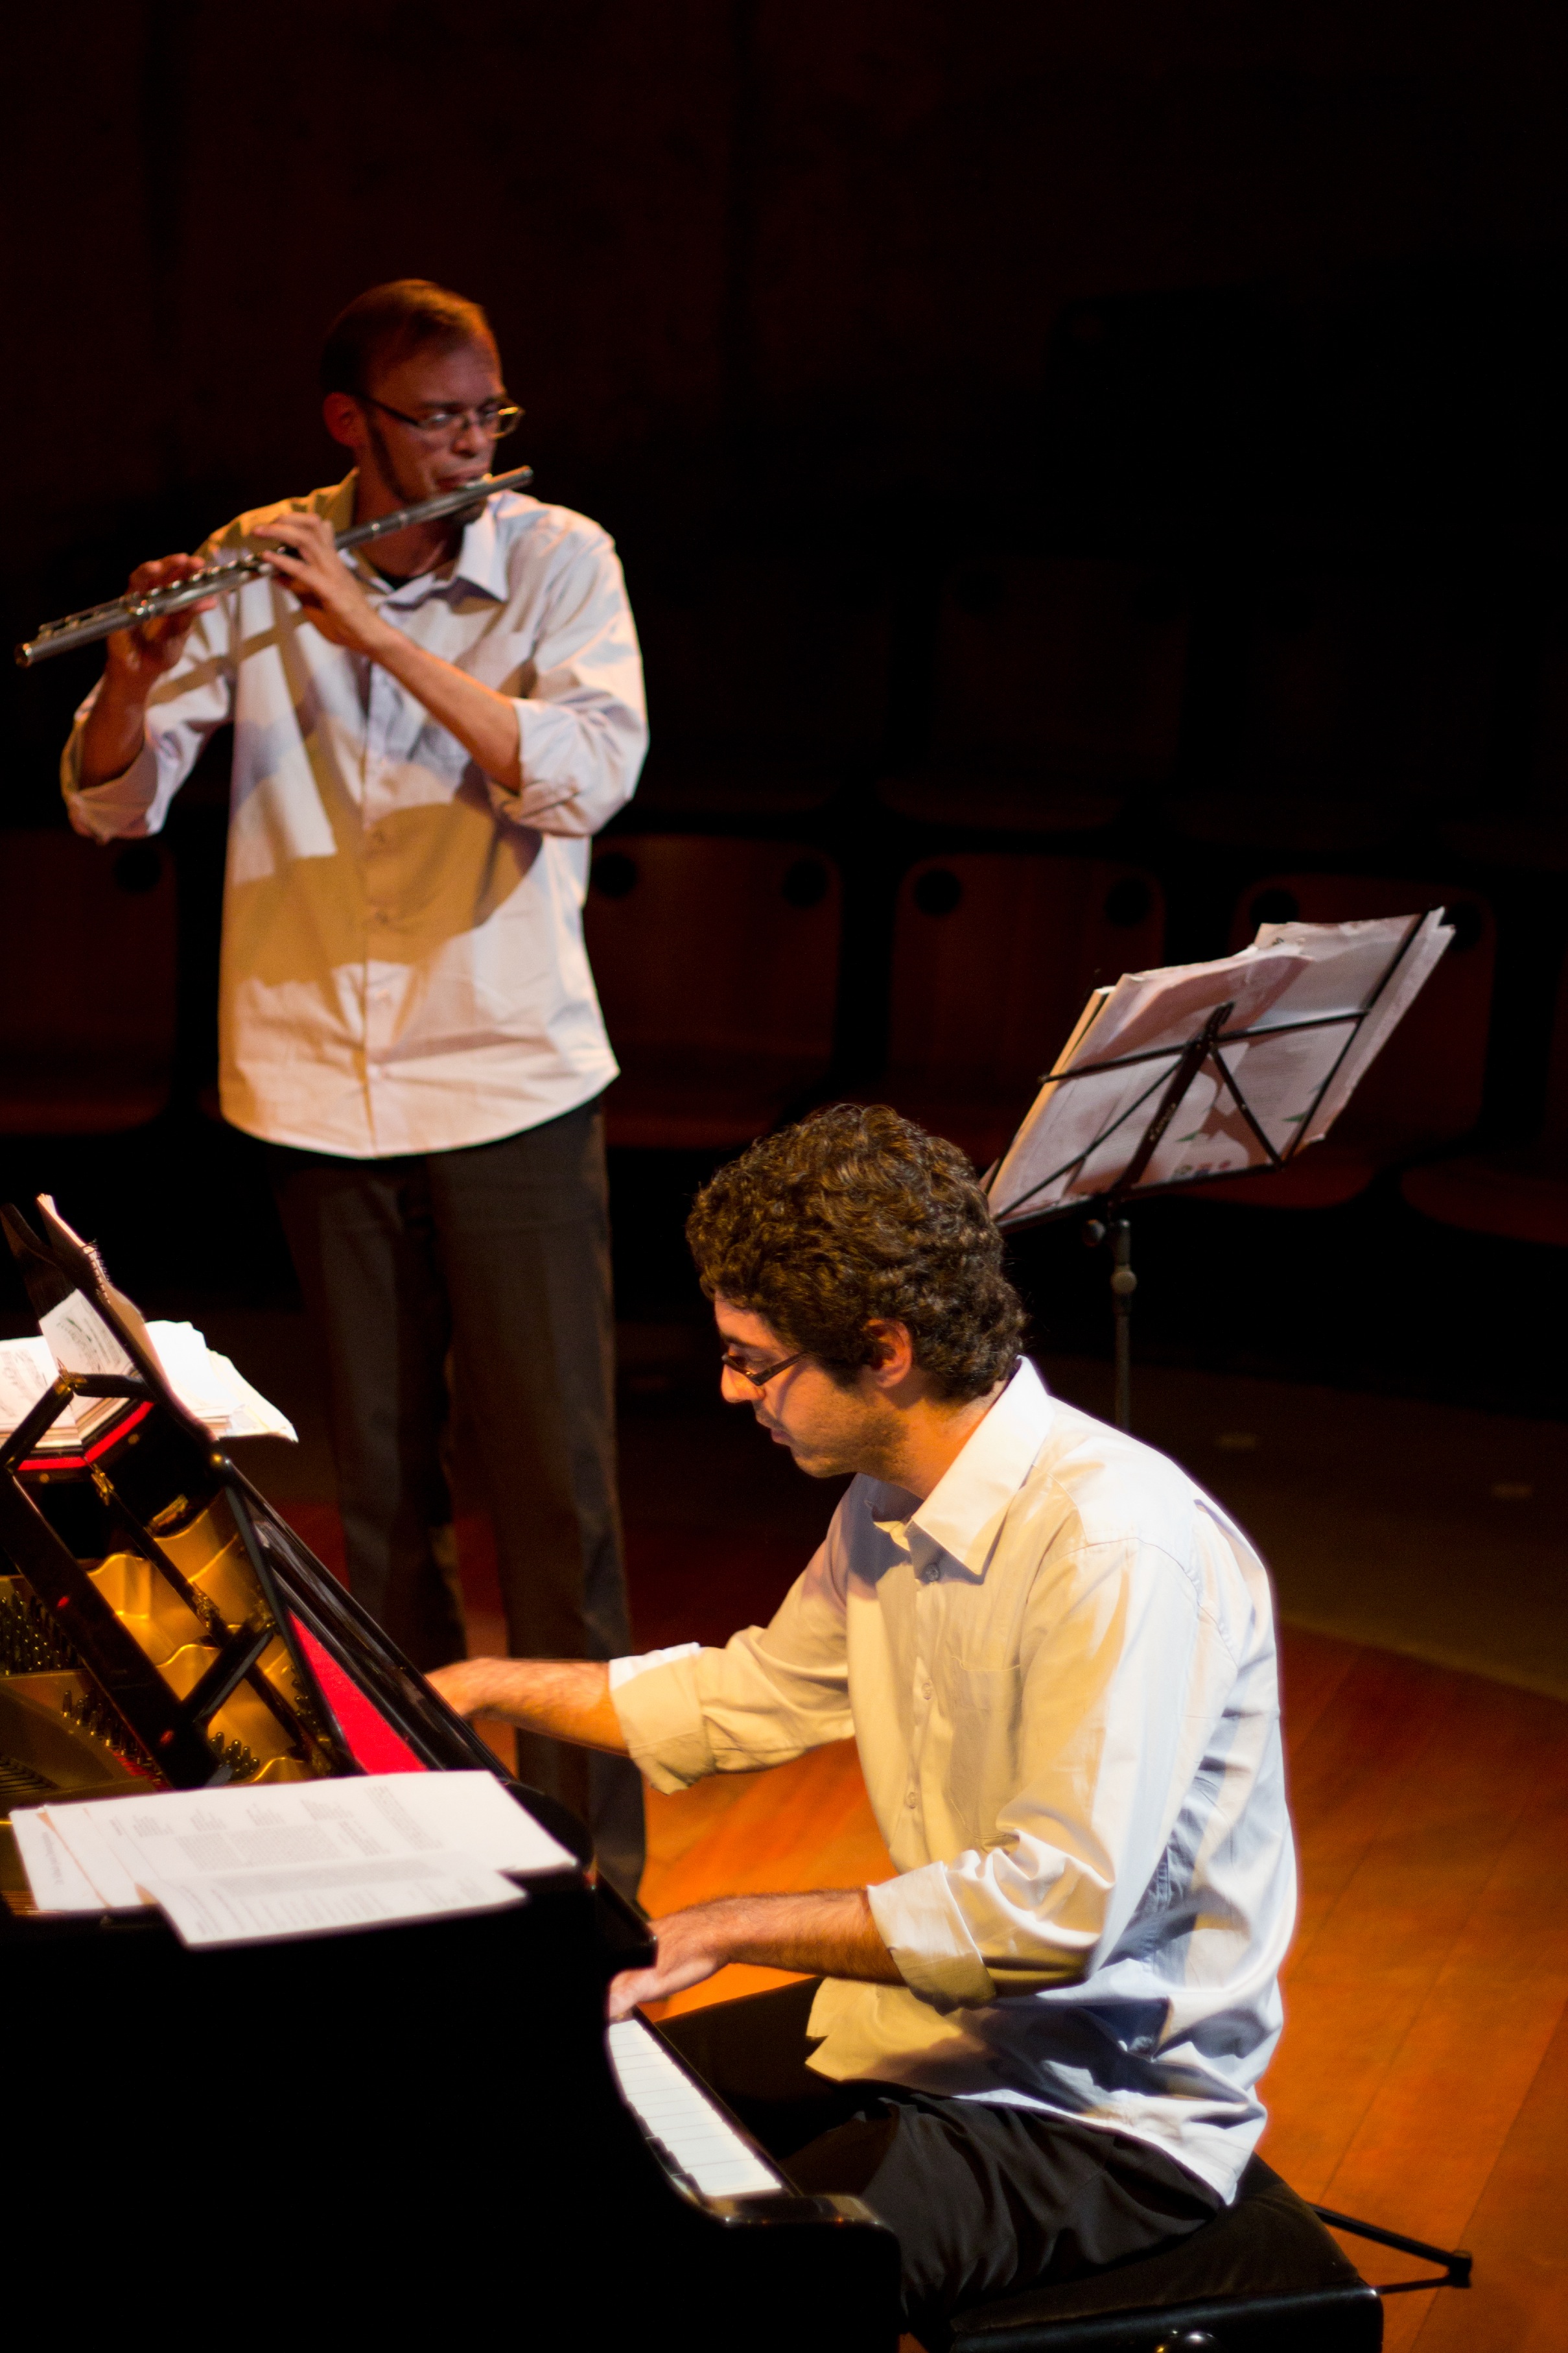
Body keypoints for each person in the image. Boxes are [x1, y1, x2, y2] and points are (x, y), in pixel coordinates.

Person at [430, 1104, 1297, 2342]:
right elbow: (749, 1690)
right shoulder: (888, 1501)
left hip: (1098, 2108)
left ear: (884, 1349)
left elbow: (1053, 1911)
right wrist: (482, 1685)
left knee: (713, 2286)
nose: (731, 1389)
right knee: (560, 2127)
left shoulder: (1115, 1550)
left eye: (756, 1361)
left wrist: (734, 1924)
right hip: (939, 2027)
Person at [62, 278, 648, 1893]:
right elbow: (114, 807)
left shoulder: (560, 559)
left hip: (509, 1074)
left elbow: (586, 777)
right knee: (380, 1510)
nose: (469, 442)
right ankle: (434, 1864)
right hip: (315, 1083)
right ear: (351, 425)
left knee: (558, 1505)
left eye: (485, 414)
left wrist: (373, 635)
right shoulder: (257, 553)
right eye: (436, 417)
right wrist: (138, 675)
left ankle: (595, 1890)